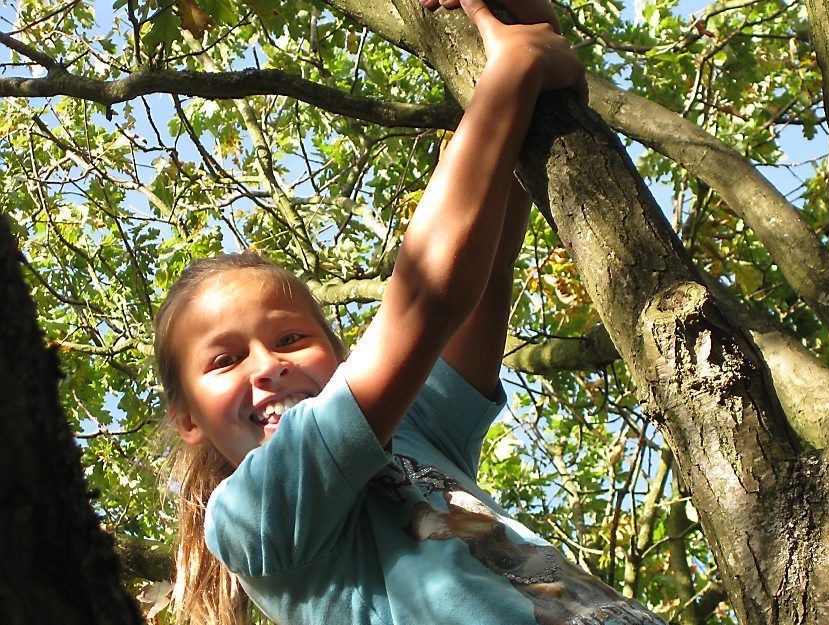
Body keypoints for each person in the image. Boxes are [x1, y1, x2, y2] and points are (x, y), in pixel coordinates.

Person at [154, 0, 665, 623]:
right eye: (225, 360)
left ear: (342, 359)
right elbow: (424, 302)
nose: (268, 367)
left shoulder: (416, 432)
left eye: (290, 339)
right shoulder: (251, 515)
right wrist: (514, 72)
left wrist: (529, 57)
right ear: (187, 422)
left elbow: (483, 270)